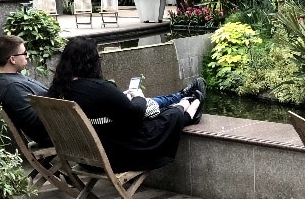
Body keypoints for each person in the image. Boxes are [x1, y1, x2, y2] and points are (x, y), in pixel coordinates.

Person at [47, 36, 205, 172]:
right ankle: (191, 104)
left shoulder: (58, 89)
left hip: (85, 157)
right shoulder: (99, 88)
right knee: (170, 116)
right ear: (90, 62)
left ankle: (186, 100)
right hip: (118, 155)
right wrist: (138, 96)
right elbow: (135, 114)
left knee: (160, 115)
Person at [0, 35, 51, 146]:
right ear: (12, 59)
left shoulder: (10, 79)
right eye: (24, 53)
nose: (27, 56)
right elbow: (36, 124)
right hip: (57, 134)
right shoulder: (11, 87)